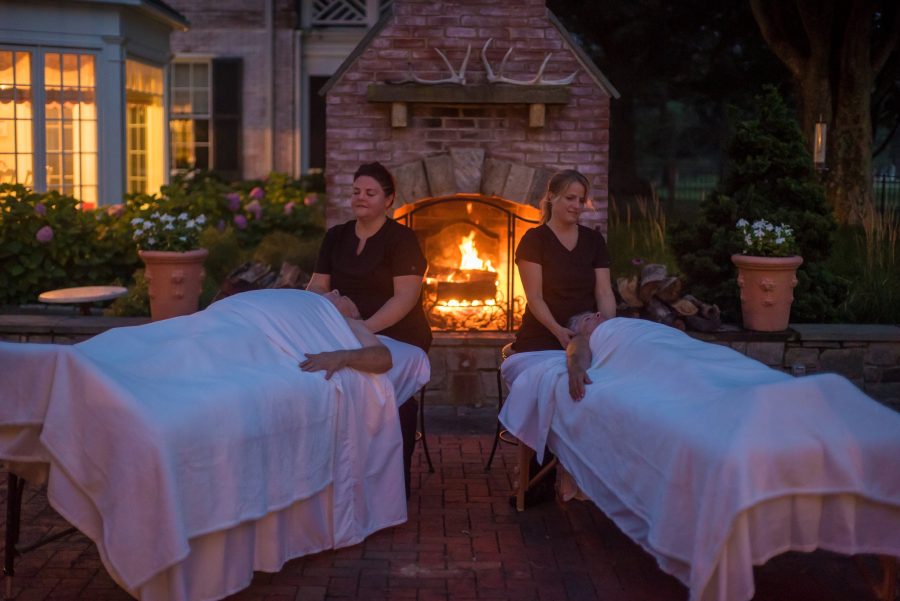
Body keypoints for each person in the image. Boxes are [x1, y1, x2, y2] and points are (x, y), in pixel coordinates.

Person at [307, 161, 431, 498]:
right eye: (356, 192)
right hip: (344, 329)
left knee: (379, 387)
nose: (361, 198)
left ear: (388, 200)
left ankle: (390, 485)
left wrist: (364, 329)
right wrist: (323, 311)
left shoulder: (401, 239)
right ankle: (334, 477)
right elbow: (317, 287)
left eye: (370, 193)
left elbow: (406, 298)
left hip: (399, 334)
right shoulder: (336, 236)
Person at [511, 169, 616, 353]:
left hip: (586, 337)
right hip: (543, 335)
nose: (577, 205)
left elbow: (604, 292)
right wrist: (558, 331)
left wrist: (603, 331)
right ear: (552, 197)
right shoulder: (534, 240)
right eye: (570, 198)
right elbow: (535, 297)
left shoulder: (594, 240)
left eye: (581, 200)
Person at [299, 290, 393, 379]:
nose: (335, 291)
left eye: (342, 298)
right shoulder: (302, 304)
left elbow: (384, 359)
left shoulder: (347, 324)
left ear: (353, 313)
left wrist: (343, 357)